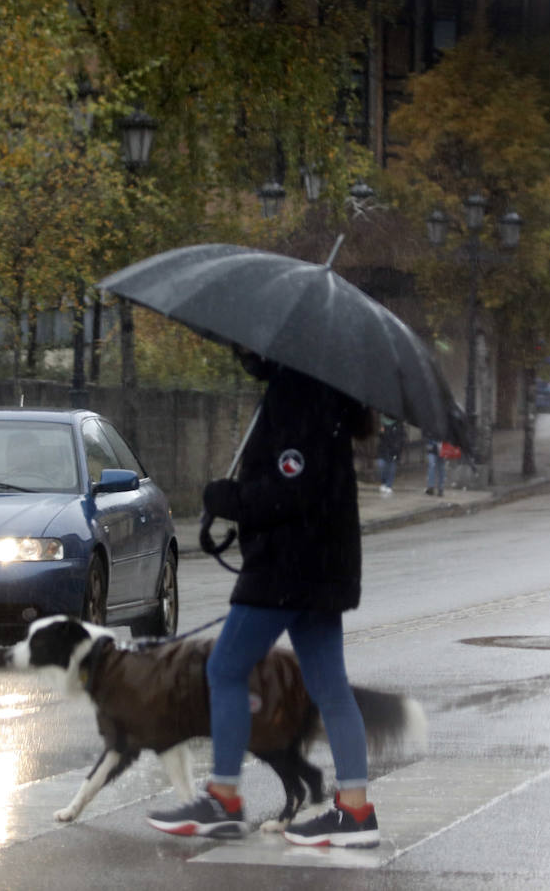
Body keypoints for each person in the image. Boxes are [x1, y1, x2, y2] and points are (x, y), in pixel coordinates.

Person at [145, 346, 382, 848]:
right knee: (330, 688)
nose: (242, 352)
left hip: (287, 568)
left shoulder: (298, 393)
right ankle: (355, 812)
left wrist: (225, 499)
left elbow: (287, 489)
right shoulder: (324, 393)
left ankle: (224, 801)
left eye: (248, 347)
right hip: (317, 567)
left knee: (225, 669)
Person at [375, 415, 405, 495]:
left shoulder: (398, 424)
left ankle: (389, 485)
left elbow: (401, 436)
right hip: (383, 449)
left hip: (394, 450)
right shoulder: (382, 421)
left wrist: (397, 447)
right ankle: (383, 482)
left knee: (391, 468)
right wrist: (381, 432)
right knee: (381, 465)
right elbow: (380, 437)